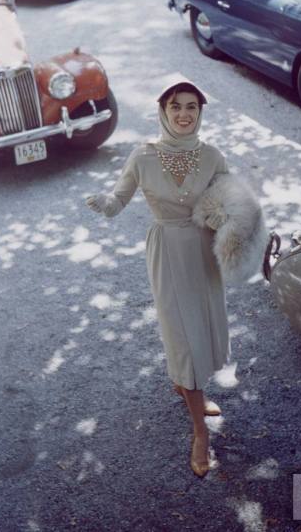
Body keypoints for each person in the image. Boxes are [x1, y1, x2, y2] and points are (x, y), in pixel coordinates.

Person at [86, 81, 230, 478]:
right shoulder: (143, 156)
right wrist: (105, 204)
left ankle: (190, 388)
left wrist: (228, 223)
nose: (183, 114)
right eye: (175, 106)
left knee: (202, 325)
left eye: (191, 107)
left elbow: (230, 203)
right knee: (180, 334)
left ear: (200, 112)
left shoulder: (214, 156)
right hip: (167, 248)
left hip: (204, 250)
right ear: (162, 111)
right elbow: (119, 200)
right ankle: (200, 430)